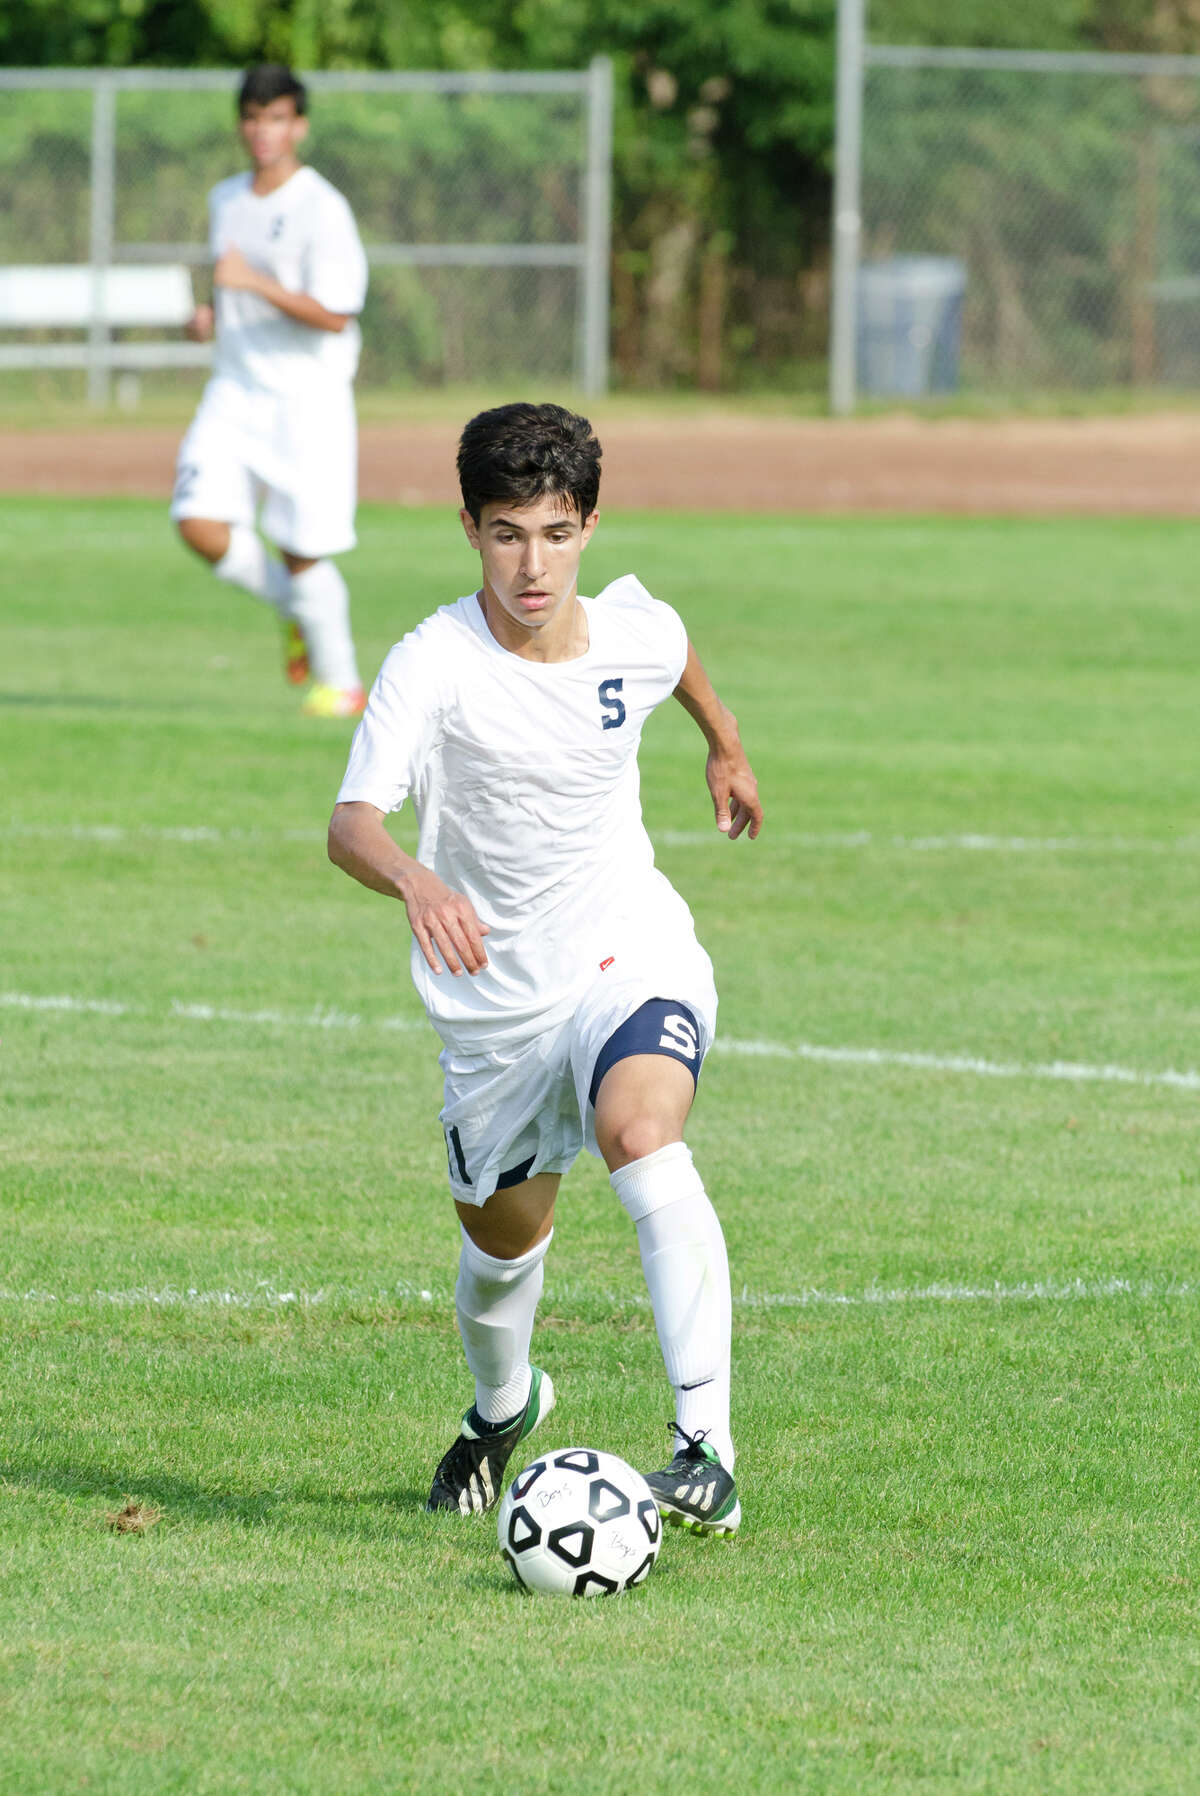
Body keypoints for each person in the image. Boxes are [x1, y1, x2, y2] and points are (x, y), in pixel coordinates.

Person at [327, 402, 762, 1533]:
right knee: (500, 1255)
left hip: (629, 949)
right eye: (509, 532)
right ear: (469, 525)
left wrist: (724, 742)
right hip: (496, 1012)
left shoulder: (633, 626)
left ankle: (705, 1445)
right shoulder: (434, 664)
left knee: (642, 1132)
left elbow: (673, 660)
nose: (535, 564)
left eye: (558, 534)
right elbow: (353, 822)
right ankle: (500, 1408)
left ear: (591, 526)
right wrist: (416, 882)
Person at [171, 63, 368, 719]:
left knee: (301, 547)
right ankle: (298, 611)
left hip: (306, 400)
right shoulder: (226, 197)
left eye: (277, 118)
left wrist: (254, 284)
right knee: (196, 522)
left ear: (299, 126)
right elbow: (230, 291)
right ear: (241, 125)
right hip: (233, 388)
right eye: (253, 118)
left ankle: (340, 686)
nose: (264, 131)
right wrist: (212, 317)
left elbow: (336, 312)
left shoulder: (322, 207)